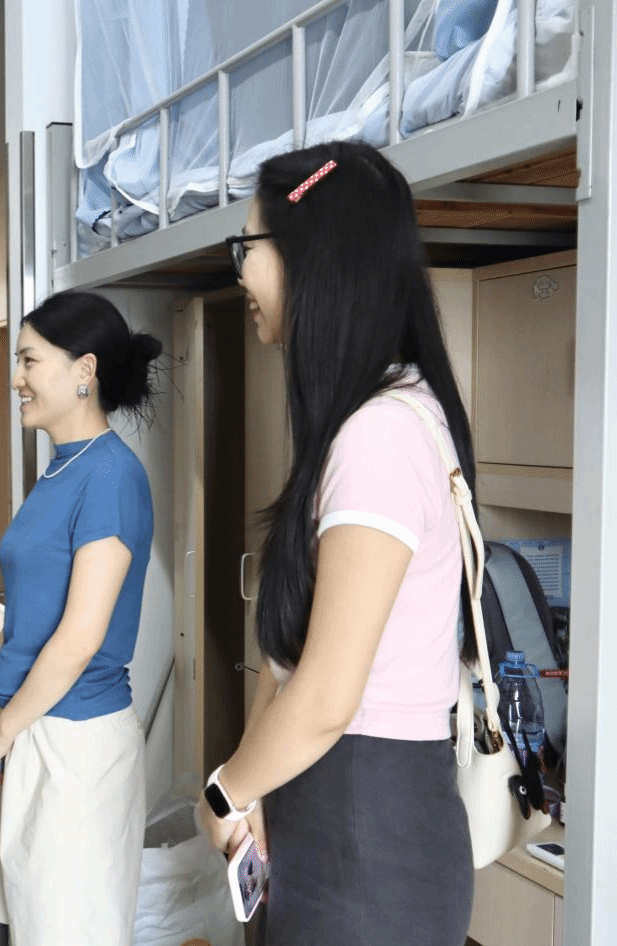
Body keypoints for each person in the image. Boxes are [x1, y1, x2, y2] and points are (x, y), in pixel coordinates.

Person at [198, 140, 476, 944]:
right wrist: (258, 781)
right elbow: (291, 657)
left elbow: (326, 697)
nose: (240, 273)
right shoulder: (377, 417)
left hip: (365, 823)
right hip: (338, 809)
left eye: (248, 247)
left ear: (310, 256)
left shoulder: (378, 438)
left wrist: (224, 792)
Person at [0, 290, 163, 945]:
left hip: (76, 743)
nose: (16, 378)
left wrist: (0, 733)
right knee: (34, 927)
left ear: (83, 370)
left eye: (29, 361)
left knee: (71, 931)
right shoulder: (59, 471)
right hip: (30, 725)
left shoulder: (111, 475)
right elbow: (27, 613)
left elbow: (79, 637)